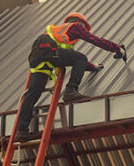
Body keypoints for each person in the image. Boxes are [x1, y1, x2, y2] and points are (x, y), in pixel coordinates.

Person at [14, 12, 125, 142]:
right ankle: (71, 90)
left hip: (39, 55)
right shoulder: (75, 27)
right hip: (49, 50)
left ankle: (21, 131)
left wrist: (93, 67)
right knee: (81, 57)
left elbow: (71, 57)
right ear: (79, 23)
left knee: (32, 94)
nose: (83, 30)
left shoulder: (60, 34)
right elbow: (94, 40)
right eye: (84, 27)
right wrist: (117, 49)